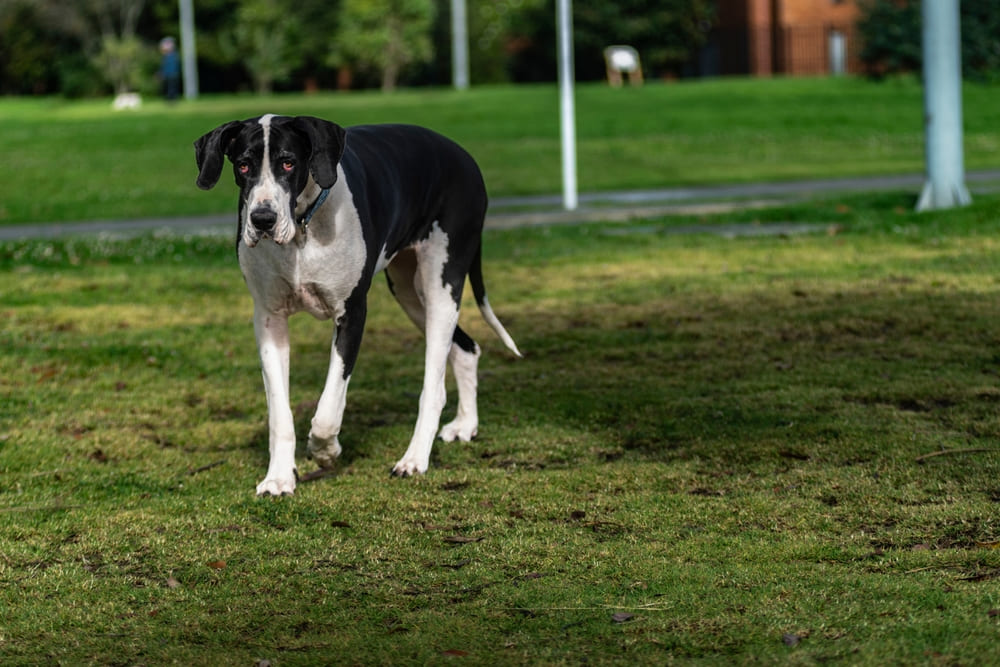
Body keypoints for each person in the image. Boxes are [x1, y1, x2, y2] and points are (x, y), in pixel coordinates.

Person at [159, 37, 181, 102]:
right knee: (169, 87)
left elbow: (172, 67)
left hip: (172, 74)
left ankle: (172, 99)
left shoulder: (173, 55)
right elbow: (164, 67)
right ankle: (170, 98)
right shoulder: (166, 56)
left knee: (172, 87)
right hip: (168, 75)